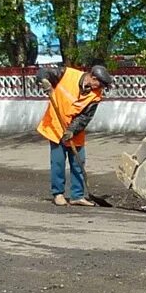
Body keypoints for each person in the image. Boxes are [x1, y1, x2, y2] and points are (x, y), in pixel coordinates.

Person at [36, 62, 111, 206]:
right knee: (58, 162)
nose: (100, 89)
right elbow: (43, 72)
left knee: (78, 161)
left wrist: (72, 130)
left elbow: (85, 116)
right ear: (93, 78)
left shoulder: (95, 95)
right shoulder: (66, 74)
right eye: (100, 85)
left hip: (74, 131)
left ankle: (77, 195)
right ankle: (58, 193)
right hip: (56, 126)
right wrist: (44, 81)